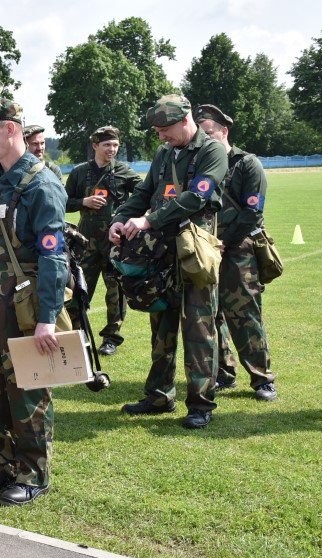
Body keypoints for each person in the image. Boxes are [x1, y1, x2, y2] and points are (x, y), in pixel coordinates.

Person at [0, 98, 68, 506]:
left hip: (22, 303)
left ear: (10, 129)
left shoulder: (42, 184)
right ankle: (5, 464)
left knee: (27, 386)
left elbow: (54, 256)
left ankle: (33, 473)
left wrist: (46, 318)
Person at [108, 94, 228, 429]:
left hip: (195, 252)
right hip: (161, 252)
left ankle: (200, 404)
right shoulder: (164, 152)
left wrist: (149, 220)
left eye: (166, 129)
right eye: (158, 131)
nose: (161, 136)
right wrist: (120, 218)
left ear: (185, 120)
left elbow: (196, 196)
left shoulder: (212, 151)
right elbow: (144, 193)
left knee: (199, 328)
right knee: (161, 324)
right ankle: (160, 396)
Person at [194, 104, 278, 402]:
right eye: (200, 135)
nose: (204, 140)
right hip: (204, 250)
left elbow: (253, 212)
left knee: (244, 315)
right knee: (211, 314)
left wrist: (224, 242)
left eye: (209, 133)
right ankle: (224, 373)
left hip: (238, 250)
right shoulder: (200, 163)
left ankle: (262, 378)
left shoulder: (246, 164)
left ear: (224, 131)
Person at [63, 125, 141, 356]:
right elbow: (64, 202)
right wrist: (83, 202)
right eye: (107, 145)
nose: (112, 149)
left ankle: (111, 338)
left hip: (114, 241)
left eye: (115, 145)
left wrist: (126, 214)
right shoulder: (79, 172)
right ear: (95, 146)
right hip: (86, 241)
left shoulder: (124, 171)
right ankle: (77, 335)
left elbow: (144, 195)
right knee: (78, 288)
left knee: (115, 291)